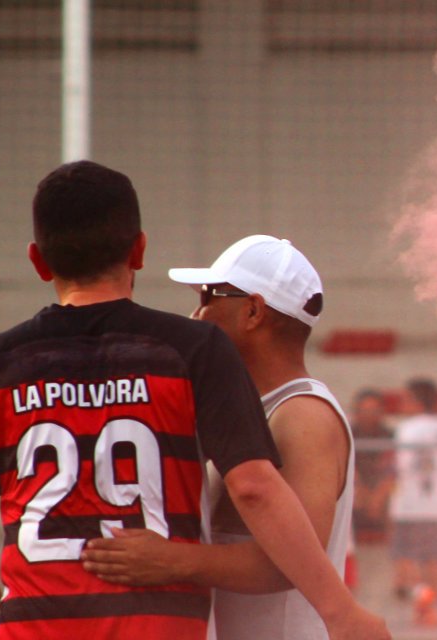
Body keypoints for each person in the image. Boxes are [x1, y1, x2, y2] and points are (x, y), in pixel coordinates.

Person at [0, 161, 388, 640]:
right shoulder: (185, 357)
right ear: (139, 251)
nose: (196, 310)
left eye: (209, 294)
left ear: (37, 260)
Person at [81, 234, 357, 640]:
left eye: (209, 296)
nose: (196, 314)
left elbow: (292, 563)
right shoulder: (250, 409)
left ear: (253, 311)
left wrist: (171, 561)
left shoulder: (303, 416)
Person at [388, 377, 437, 602]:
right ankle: (431, 606)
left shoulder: (405, 429)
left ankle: (419, 602)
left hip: (410, 505)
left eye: (406, 400)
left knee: (407, 558)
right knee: (435, 558)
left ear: (418, 402)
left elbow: (400, 466)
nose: (402, 405)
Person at [349, 388, 397, 545]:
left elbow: (392, 471)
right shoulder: (346, 433)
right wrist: (358, 490)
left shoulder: (391, 436)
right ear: (356, 411)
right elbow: (346, 467)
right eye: (364, 410)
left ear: (381, 412)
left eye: (373, 410)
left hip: (381, 496)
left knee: (397, 502)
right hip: (355, 492)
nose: (369, 415)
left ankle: (397, 557)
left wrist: (378, 497)